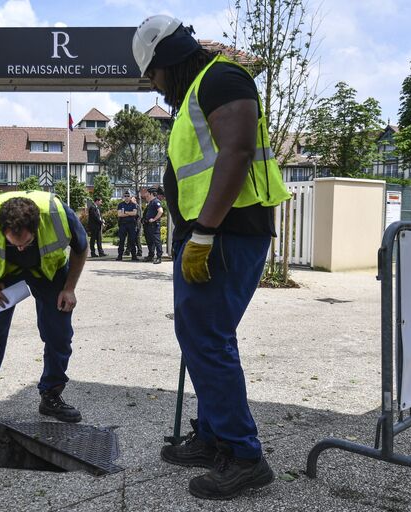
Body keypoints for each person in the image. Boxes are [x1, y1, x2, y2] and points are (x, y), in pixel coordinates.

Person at [132, 15, 291, 499]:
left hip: (225, 232)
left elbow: (238, 151)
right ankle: (212, 435)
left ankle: (244, 456)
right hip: (211, 233)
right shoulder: (198, 92)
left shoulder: (222, 78)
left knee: (208, 339)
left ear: (167, 60)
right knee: (203, 338)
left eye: (152, 75)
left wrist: (203, 232)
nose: (155, 88)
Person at [0, 191, 88, 422]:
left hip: (49, 273)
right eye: (13, 243)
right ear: (2, 230)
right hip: (4, 276)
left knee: (58, 334)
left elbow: (81, 247)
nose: (21, 248)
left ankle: (51, 395)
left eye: (26, 242)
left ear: (37, 227)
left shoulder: (58, 213)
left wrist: (69, 288)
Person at [140, 187, 164, 264]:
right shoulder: (150, 202)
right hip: (148, 225)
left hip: (154, 225)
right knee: (150, 241)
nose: (146, 194)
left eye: (147, 192)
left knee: (157, 241)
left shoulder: (156, 201)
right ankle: (151, 255)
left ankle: (159, 257)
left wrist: (154, 219)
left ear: (151, 193)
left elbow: (160, 211)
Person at [115, 190, 138, 261]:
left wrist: (125, 212)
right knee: (122, 240)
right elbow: (119, 214)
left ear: (130, 197)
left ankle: (134, 256)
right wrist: (129, 213)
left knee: (132, 240)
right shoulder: (120, 204)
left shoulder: (133, 204)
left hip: (131, 224)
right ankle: (120, 256)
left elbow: (135, 213)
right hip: (123, 225)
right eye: (125, 196)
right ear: (123, 196)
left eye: (128, 196)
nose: (127, 197)